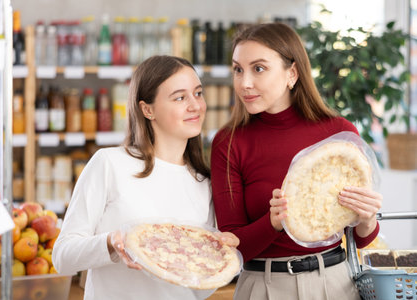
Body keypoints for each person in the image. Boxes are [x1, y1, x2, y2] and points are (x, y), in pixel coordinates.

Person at [210, 23, 382, 300]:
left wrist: (367, 216)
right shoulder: (228, 142)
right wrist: (273, 222)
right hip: (261, 287)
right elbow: (232, 247)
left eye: (259, 68)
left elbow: (360, 236)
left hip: (333, 283)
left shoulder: (339, 134)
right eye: (238, 69)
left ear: (292, 73)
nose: (244, 83)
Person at [52, 55, 238, 300]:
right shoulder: (109, 164)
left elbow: (197, 290)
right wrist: (111, 242)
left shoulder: (205, 183)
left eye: (198, 93)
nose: (195, 106)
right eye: (180, 97)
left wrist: (216, 260)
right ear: (147, 109)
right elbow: (62, 258)